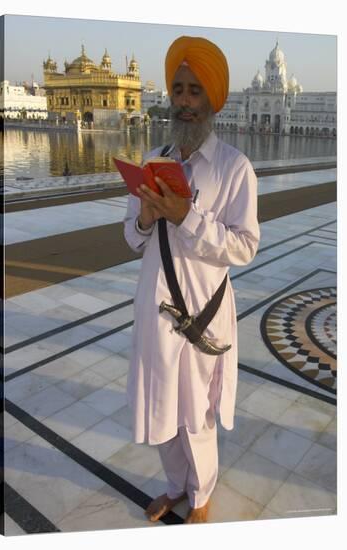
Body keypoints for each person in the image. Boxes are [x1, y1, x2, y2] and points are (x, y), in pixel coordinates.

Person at [123, 35, 260, 524]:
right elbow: (134, 240)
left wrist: (187, 216)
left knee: (197, 415)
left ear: (211, 99)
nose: (183, 101)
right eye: (178, 90)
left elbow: (244, 246)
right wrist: (143, 216)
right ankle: (175, 486)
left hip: (202, 314)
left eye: (193, 91)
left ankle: (200, 498)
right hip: (155, 311)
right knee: (162, 410)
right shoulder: (154, 160)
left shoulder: (234, 169)